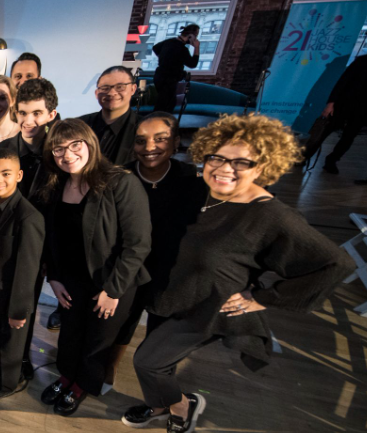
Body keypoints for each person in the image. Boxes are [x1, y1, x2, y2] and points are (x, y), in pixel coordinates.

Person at [122, 114, 354, 433]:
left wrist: (262, 298)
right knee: (160, 361)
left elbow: (338, 264)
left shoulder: (272, 215)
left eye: (241, 162)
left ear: (262, 166)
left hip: (207, 307)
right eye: (217, 157)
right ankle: (159, 404)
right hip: (172, 293)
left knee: (147, 361)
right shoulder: (201, 191)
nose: (225, 168)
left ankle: (183, 406)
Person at [38, 119, 151, 416]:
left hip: (112, 281)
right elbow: (53, 240)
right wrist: (55, 278)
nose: (68, 153)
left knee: (97, 341)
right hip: (71, 279)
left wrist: (113, 290)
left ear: (90, 144)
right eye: (59, 148)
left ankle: (81, 386)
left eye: (75, 145)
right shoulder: (56, 183)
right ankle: (66, 377)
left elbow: (138, 244)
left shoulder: (120, 182)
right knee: (70, 334)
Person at [107, 112, 204, 388]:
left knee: (159, 332)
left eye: (160, 139)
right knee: (121, 323)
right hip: (129, 266)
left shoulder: (194, 180)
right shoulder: (120, 178)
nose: (150, 147)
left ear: (176, 143)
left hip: (172, 270)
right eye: (141, 140)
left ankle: (159, 387)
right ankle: (110, 367)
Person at [0, 145, 44, 403]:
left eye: (6, 173)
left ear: (19, 176)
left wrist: (19, 310)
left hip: (13, 293)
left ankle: (9, 384)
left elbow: (28, 269)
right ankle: (4, 375)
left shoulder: (29, 216)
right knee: (0, 340)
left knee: (13, 343)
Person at [0, 77, 59, 342]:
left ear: (51, 114)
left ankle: (20, 363)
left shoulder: (60, 154)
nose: (28, 120)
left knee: (26, 304)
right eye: (22, 113)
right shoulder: (3, 150)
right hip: (5, 242)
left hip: (42, 244)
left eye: (37, 113)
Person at [307, 54, 367, 175]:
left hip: (363, 111)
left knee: (348, 137)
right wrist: (330, 103)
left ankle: (331, 161)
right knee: (324, 131)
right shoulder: (362, 62)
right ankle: (305, 157)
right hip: (343, 105)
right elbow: (342, 82)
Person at [80, 66, 140, 166]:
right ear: (96, 93)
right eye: (105, 88)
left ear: (133, 89)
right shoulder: (81, 124)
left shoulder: (142, 129)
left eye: (120, 87)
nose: (112, 93)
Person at [152, 24, 200, 113]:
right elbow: (192, 64)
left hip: (159, 76)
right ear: (190, 36)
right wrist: (197, 47)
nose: (196, 40)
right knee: (165, 106)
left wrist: (164, 58)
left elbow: (155, 48)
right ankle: (155, 124)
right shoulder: (182, 49)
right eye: (196, 36)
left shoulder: (169, 41)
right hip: (169, 79)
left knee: (165, 103)